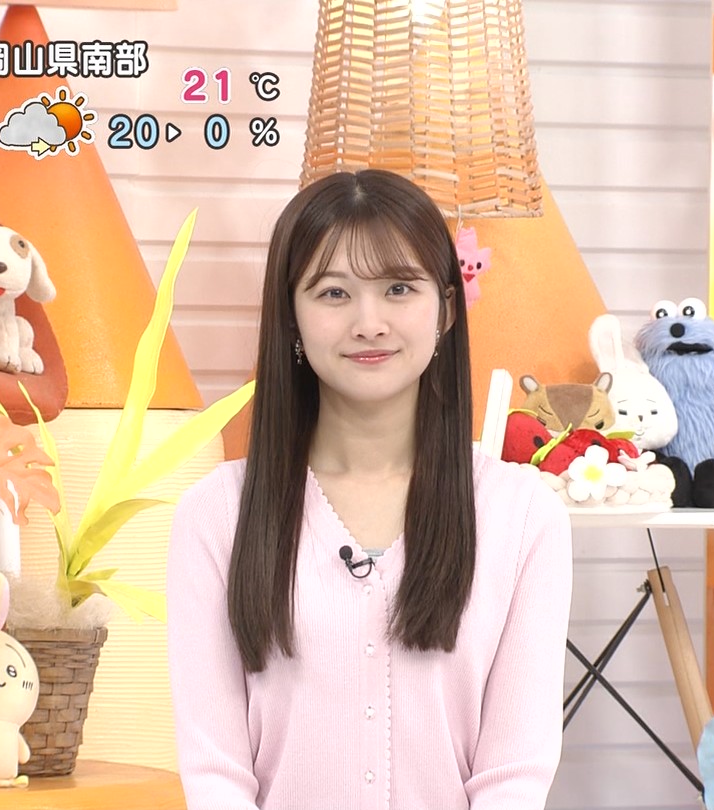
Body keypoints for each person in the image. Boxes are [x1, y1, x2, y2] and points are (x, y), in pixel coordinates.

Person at [166, 169, 573, 810]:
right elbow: (216, 774)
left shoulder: (523, 517)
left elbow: (514, 777)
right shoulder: (217, 515)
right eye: (333, 293)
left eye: (399, 288)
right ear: (291, 316)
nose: (369, 322)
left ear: (445, 309)